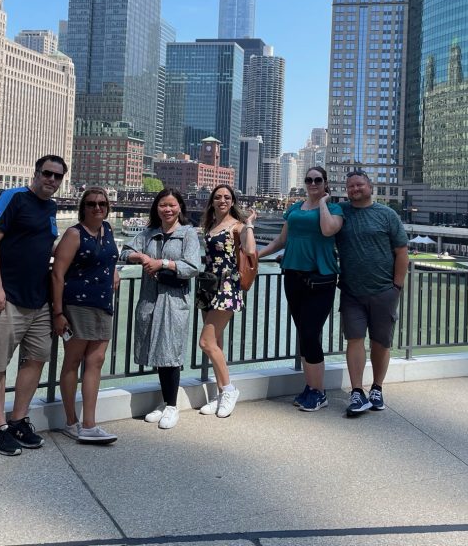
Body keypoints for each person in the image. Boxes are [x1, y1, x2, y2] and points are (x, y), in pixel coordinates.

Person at [0, 154, 66, 456]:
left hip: (39, 299)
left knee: (36, 358)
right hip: (7, 296)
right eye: (47, 174)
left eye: (57, 176)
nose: (51, 180)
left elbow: (47, 246)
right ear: (36, 173)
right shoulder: (12, 197)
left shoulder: (51, 207)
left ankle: (18, 420)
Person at [257, 166, 343, 411]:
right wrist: (255, 256)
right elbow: (281, 241)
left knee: (309, 334)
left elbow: (328, 230)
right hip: (293, 276)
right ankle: (311, 386)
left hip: (321, 278)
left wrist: (324, 202)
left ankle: (319, 392)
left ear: (325, 183)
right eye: (309, 180)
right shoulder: (294, 209)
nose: (313, 183)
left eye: (318, 180)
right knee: (304, 334)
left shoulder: (335, 209)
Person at [120, 188, 202, 429]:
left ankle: (172, 406)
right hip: (150, 299)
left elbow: (193, 266)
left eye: (172, 205)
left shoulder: (188, 234)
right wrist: (143, 259)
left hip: (174, 301)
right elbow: (125, 252)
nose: (167, 209)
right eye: (163, 205)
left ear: (180, 208)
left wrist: (163, 263)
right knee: (156, 349)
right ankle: (165, 402)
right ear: (156, 208)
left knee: (170, 352)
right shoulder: (147, 234)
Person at [336, 170, 409, 416]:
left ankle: (377, 388)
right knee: (354, 339)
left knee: (381, 342)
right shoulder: (341, 212)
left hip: (383, 291)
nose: (354, 189)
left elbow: (401, 251)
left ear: (370, 186)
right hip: (351, 291)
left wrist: (396, 287)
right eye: (350, 186)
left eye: (359, 185)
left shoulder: (387, 215)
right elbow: (317, 231)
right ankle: (357, 392)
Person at [51, 187, 120, 444]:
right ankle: (72, 421)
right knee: (73, 360)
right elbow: (57, 274)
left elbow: (109, 257)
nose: (97, 207)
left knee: (96, 360)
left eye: (102, 203)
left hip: (103, 304)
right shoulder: (74, 234)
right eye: (91, 203)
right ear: (84, 207)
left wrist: (114, 271)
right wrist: (58, 313)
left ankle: (89, 423)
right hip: (77, 305)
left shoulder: (108, 230)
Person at [196, 185, 257, 418]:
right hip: (208, 284)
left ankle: (230, 390)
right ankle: (220, 393)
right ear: (212, 201)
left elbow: (250, 249)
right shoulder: (210, 226)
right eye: (218, 197)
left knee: (206, 342)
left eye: (227, 197)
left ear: (232, 202)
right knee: (216, 345)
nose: (222, 200)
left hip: (227, 286)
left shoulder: (237, 226)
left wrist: (249, 223)